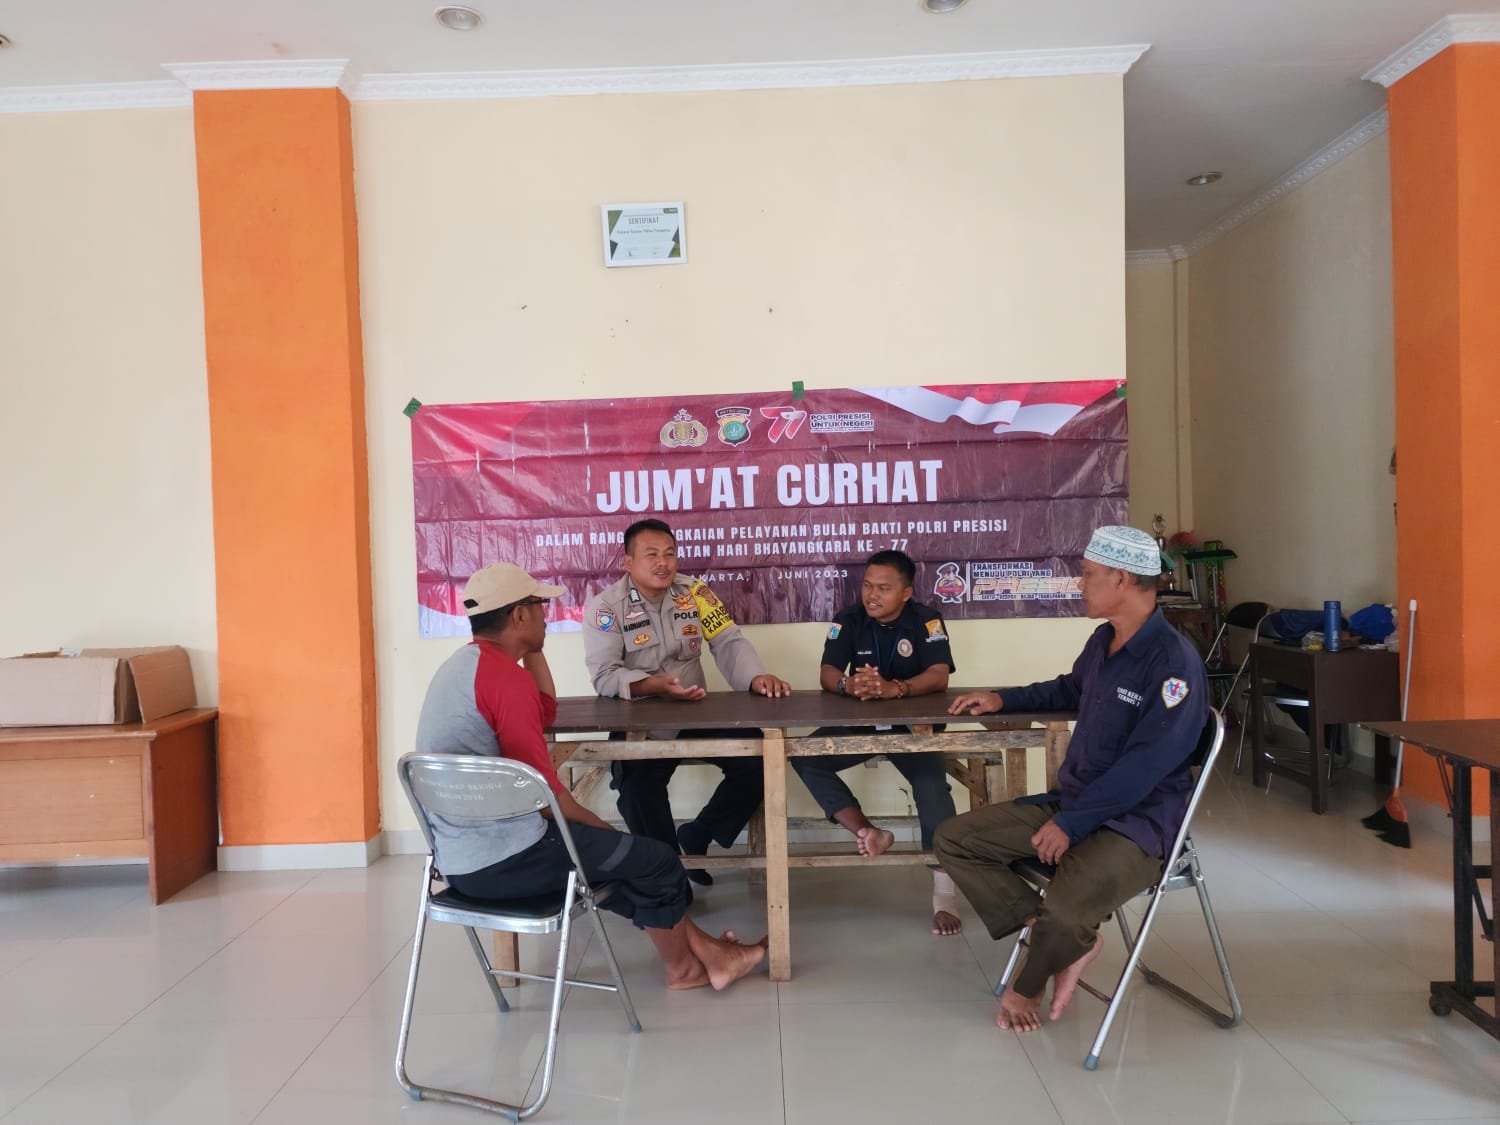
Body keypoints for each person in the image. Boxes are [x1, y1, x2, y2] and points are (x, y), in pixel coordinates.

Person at [415, 561, 766, 991]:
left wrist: (533, 648)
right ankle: (685, 971)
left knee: (624, 862)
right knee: (655, 860)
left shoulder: (465, 667)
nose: (546, 615)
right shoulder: (506, 680)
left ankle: (715, 956)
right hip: (510, 860)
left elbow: (544, 711)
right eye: (539, 606)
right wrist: (603, 829)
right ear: (519, 615)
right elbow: (544, 799)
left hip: (457, 864)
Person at [935, 525, 1207, 1032]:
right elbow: (1069, 688)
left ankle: (1027, 984)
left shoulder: (1173, 663)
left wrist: (1071, 823)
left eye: (1087, 574)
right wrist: (1002, 699)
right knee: (955, 839)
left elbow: (1145, 767)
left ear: (1120, 579)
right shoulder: (1105, 640)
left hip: (1137, 824)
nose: (1079, 584)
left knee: (1065, 911)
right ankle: (1063, 940)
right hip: (1076, 802)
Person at [584, 519, 792, 884]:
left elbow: (728, 641)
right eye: (651, 555)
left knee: (759, 759)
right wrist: (654, 685)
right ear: (628, 562)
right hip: (641, 719)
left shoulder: (693, 593)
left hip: (695, 709)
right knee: (636, 790)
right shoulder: (606, 607)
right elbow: (604, 675)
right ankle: (669, 873)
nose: (663, 563)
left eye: (669, 554)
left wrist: (755, 678)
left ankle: (699, 833)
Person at [793, 550, 964, 935]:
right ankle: (869, 832)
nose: (872, 595)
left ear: (906, 593)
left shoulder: (927, 620)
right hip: (864, 723)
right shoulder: (848, 619)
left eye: (884, 588)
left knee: (932, 787)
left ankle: (943, 896)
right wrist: (847, 684)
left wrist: (895, 689)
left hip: (913, 729)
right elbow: (827, 672)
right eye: (868, 586)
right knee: (806, 757)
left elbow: (939, 675)